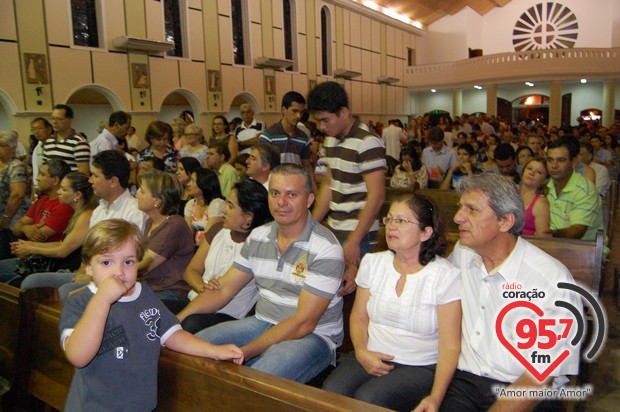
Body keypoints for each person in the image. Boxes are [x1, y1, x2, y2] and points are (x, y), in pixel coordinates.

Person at [59, 219, 243, 411]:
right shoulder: (80, 302)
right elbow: (78, 356)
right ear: (88, 266)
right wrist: (102, 300)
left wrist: (213, 350)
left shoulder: (144, 295)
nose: (119, 272)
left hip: (139, 405)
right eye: (106, 262)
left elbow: (172, 334)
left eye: (128, 262)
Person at [441, 173, 582, 410]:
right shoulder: (464, 252)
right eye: (460, 208)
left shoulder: (552, 281)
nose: (457, 217)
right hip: (465, 381)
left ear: (505, 221)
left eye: (471, 210)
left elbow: (538, 378)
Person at [193, 165, 344, 383]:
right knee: (196, 347)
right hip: (263, 321)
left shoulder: (325, 248)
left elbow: (304, 323)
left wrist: (245, 352)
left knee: (255, 379)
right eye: (275, 193)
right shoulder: (259, 236)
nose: (281, 202)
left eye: (292, 194)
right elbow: (224, 289)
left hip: (313, 336)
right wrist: (177, 322)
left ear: (309, 200)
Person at [322, 195, 461, 411]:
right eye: (389, 220)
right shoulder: (373, 263)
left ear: (426, 232)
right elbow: (359, 316)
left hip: (420, 365)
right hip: (371, 352)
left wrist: (436, 397)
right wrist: (361, 351)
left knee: (369, 398)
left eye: (402, 221)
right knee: (332, 390)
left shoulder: (446, 275)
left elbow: (450, 345)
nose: (392, 227)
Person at [308, 81, 386, 296]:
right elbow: (330, 185)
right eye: (318, 122)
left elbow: (377, 196)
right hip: (335, 228)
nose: (322, 127)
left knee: (349, 293)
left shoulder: (367, 142)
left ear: (343, 112)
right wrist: (311, 224)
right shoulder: (330, 141)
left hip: (358, 232)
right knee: (327, 292)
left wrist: (354, 239)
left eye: (326, 120)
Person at [178, 179, 273, 332]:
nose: (224, 210)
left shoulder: (258, 245)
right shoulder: (217, 230)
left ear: (248, 216)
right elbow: (191, 271)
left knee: (190, 323)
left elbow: (225, 292)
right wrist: (203, 288)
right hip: (197, 301)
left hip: (229, 314)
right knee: (157, 308)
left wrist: (209, 294)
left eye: (230, 205)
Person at [9, 172, 97, 288]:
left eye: (64, 189)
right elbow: (61, 243)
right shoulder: (78, 214)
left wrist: (31, 249)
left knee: (28, 282)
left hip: (70, 270)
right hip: (61, 266)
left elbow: (62, 251)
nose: (58, 192)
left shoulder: (86, 216)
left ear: (77, 195)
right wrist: (28, 244)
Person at [136, 170, 195, 304]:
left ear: (157, 200)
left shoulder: (174, 225)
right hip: (149, 289)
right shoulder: (150, 222)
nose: (137, 194)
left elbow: (142, 266)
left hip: (169, 293)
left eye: (142, 191)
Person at [546, 138, 605, 241]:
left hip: (584, 251)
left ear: (573, 162)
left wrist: (545, 235)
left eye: (561, 160)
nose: (554, 166)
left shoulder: (585, 190)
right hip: (552, 246)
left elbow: (577, 231)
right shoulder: (545, 185)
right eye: (550, 160)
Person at [259, 91, 315, 189]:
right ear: (284, 109)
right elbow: (261, 167)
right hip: (274, 187)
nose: (298, 116)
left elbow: (307, 166)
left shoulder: (303, 137)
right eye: (294, 111)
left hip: (295, 187)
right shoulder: (268, 136)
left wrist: (315, 192)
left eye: (301, 112)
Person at [0, 131, 31, 259]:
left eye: (2, 146)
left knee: (7, 255)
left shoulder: (16, 166)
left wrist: (6, 218)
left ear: (13, 149)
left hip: (12, 219)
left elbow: (17, 194)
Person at [43, 104, 90, 175]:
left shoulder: (79, 143)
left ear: (70, 121)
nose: (55, 122)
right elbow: (45, 167)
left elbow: (83, 174)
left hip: (69, 185)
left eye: (59, 119)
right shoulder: (49, 141)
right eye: (53, 118)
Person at [184, 168, 226, 245]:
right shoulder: (190, 204)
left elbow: (208, 236)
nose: (188, 184)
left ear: (203, 183)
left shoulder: (217, 204)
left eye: (193, 181)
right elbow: (188, 234)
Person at [519, 158, 552, 237]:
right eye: (529, 168)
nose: (532, 173)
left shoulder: (541, 204)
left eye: (539, 172)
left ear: (545, 180)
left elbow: (542, 239)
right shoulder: (511, 193)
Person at [30, 117, 54, 192]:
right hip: (40, 188)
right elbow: (36, 170)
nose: (37, 132)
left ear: (49, 129)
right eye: (34, 129)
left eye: (40, 128)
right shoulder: (37, 148)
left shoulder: (56, 146)